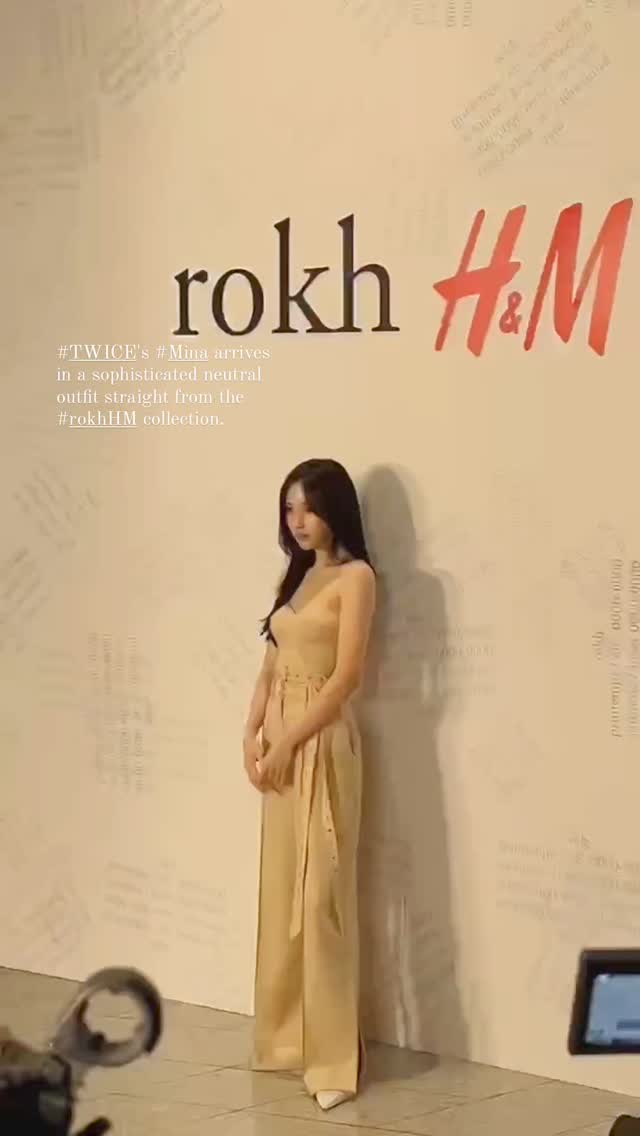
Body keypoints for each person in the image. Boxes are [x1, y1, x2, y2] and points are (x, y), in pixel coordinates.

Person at [243, 457, 376, 1110]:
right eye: (289, 508)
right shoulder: (295, 575)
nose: (298, 521)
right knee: (281, 890)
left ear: (335, 509)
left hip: (321, 741)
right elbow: (271, 663)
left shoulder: (357, 578)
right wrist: (251, 732)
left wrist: (290, 740)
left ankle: (332, 1064)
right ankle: (287, 1040)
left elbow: (346, 676)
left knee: (322, 898)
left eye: (309, 507)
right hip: (280, 740)